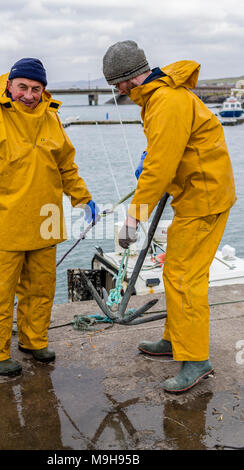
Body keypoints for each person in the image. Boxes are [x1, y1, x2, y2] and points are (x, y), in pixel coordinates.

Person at [0, 57, 99, 377]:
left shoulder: (52, 119)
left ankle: (34, 340)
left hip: (46, 223)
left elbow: (66, 167)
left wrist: (83, 199)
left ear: (44, 90)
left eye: (36, 89)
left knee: (41, 289)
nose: (29, 95)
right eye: (23, 87)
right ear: (9, 85)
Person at [103, 40, 236, 393]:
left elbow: (160, 167)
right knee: (175, 270)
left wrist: (133, 219)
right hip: (196, 195)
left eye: (116, 84)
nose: (117, 91)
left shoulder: (166, 101)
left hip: (203, 200)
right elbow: (165, 150)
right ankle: (176, 340)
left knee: (185, 278)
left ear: (129, 79)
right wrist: (151, 158)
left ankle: (196, 360)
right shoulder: (161, 97)